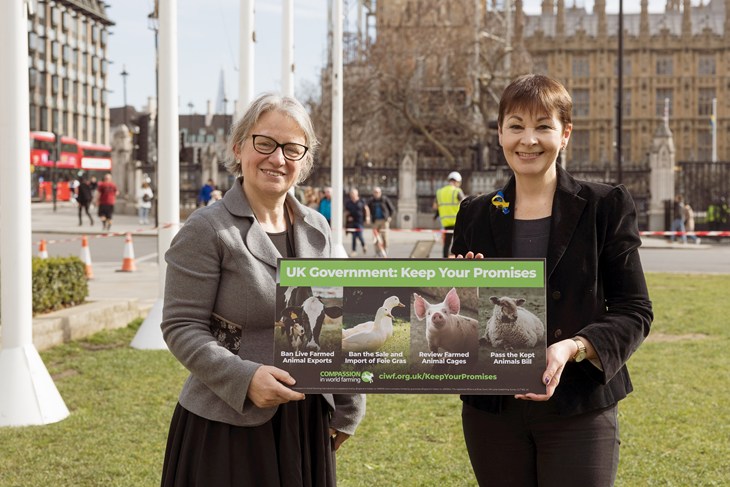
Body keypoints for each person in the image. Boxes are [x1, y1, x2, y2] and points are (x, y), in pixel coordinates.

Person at [451, 74, 653, 486]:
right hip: (493, 413)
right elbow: (460, 319)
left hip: (578, 406)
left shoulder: (605, 206)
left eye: (543, 126)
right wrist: (461, 293)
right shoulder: (474, 212)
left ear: (565, 135)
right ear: (500, 134)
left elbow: (635, 311)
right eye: (516, 126)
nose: (529, 140)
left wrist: (574, 348)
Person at [160, 93, 365, 486]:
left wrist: (347, 407)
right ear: (238, 147)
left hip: (305, 420)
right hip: (228, 423)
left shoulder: (316, 228)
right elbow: (181, 326)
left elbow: (334, 327)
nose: (277, 158)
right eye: (265, 143)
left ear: (303, 162)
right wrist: (245, 379)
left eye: (292, 149)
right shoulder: (207, 229)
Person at [434, 171, 465, 257]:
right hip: (457, 221)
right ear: (457, 181)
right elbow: (465, 204)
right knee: (459, 244)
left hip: (445, 222)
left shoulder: (440, 192)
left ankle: (445, 261)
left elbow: (435, 206)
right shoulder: (457, 191)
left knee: (446, 244)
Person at [367, 186, 396, 255]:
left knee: (384, 236)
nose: (376, 194)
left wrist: (389, 217)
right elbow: (366, 208)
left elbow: (392, 209)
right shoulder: (371, 201)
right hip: (375, 221)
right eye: (375, 192)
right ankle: (377, 251)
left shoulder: (384, 199)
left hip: (384, 220)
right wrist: (368, 217)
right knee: (376, 237)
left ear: (380, 193)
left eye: (377, 192)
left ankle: (385, 249)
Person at [344, 187, 370, 256]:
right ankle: (354, 250)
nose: (352, 195)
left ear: (357, 194)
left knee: (360, 234)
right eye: (351, 193)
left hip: (360, 221)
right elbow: (346, 212)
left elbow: (366, 209)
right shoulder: (348, 202)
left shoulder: (361, 201)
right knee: (354, 236)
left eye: (353, 193)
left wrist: (367, 217)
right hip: (352, 222)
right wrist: (348, 217)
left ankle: (364, 245)